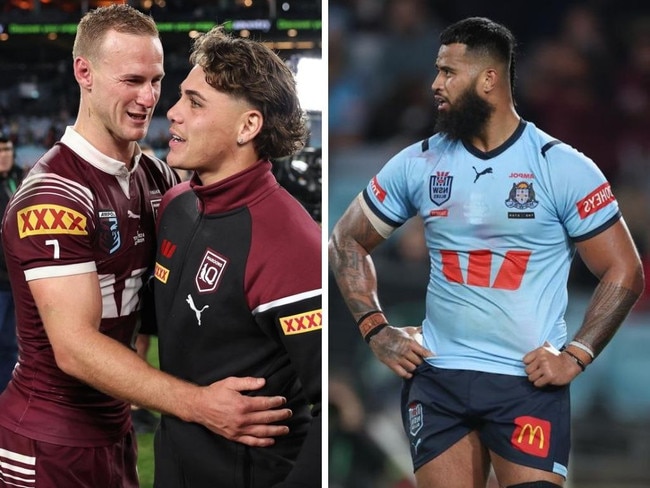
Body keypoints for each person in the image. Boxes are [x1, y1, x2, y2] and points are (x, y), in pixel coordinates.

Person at [328, 16, 644, 488]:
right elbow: (345, 239)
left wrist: (576, 354)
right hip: (438, 377)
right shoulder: (420, 162)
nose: (435, 84)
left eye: (448, 72)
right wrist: (376, 331)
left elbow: (625, 268)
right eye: (437, 71)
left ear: (489, 79)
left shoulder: (559, 165)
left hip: (526, 385)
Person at [0, 6, 291, 487]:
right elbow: (74, 348)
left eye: (156, 81)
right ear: (84, 73)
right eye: (132, 80)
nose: (148, 98)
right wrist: (200, 404)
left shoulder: (154, 176)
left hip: (115, 434)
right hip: (47, 442)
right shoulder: (53, 196)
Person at [153, 25, 322, 487]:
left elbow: (335, 408)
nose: (172, 113)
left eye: (195, 102)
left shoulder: (290, 244)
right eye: (180, 97)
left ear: (248, 126)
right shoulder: (176, 206)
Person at [0, 133, 24, 392]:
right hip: (1, 282)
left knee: (12, 345)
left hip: (15, 280)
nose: (4, 155)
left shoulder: (20, 179)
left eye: (7, 149)